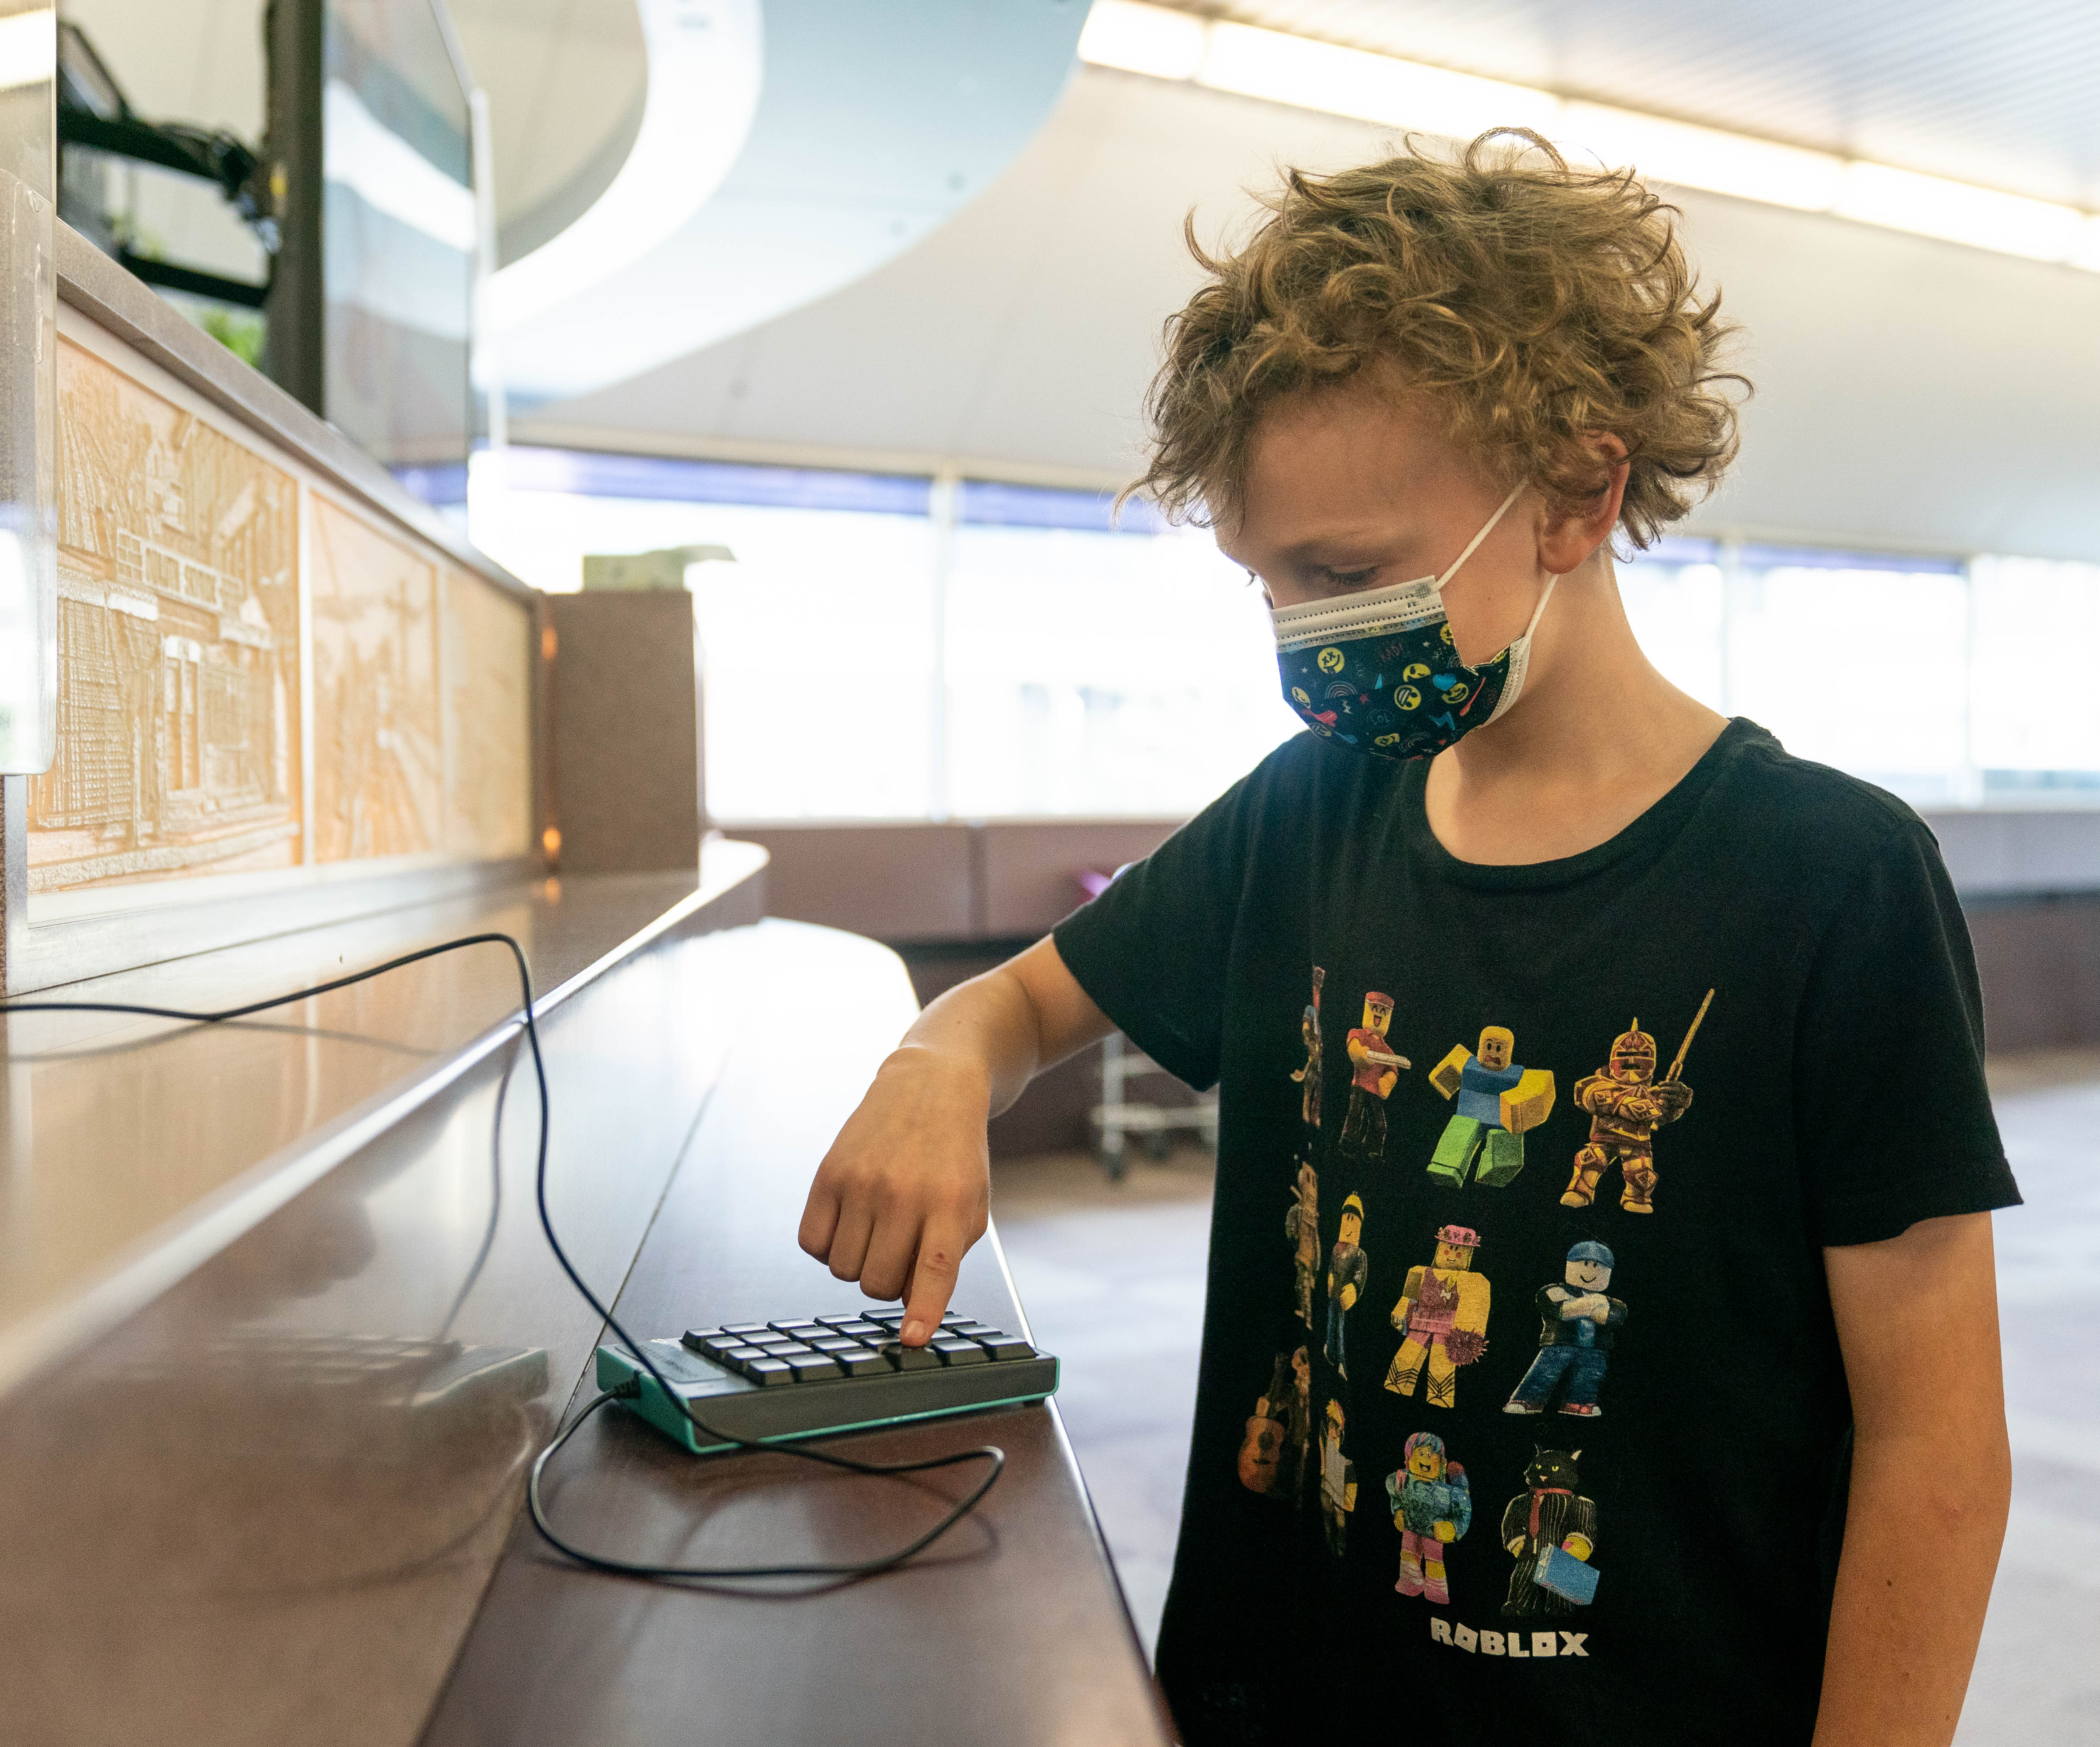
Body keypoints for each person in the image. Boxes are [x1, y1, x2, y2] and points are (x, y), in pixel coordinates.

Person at [796, 131, 2017, 1746]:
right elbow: (1015, 1011)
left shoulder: (1832, 882)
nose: (1304, 638)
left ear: (1578, 493)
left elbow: (1937, 1449)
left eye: (1346, 575)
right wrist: (936, 1050)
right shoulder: (1311, 812)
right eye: (1269, 586)